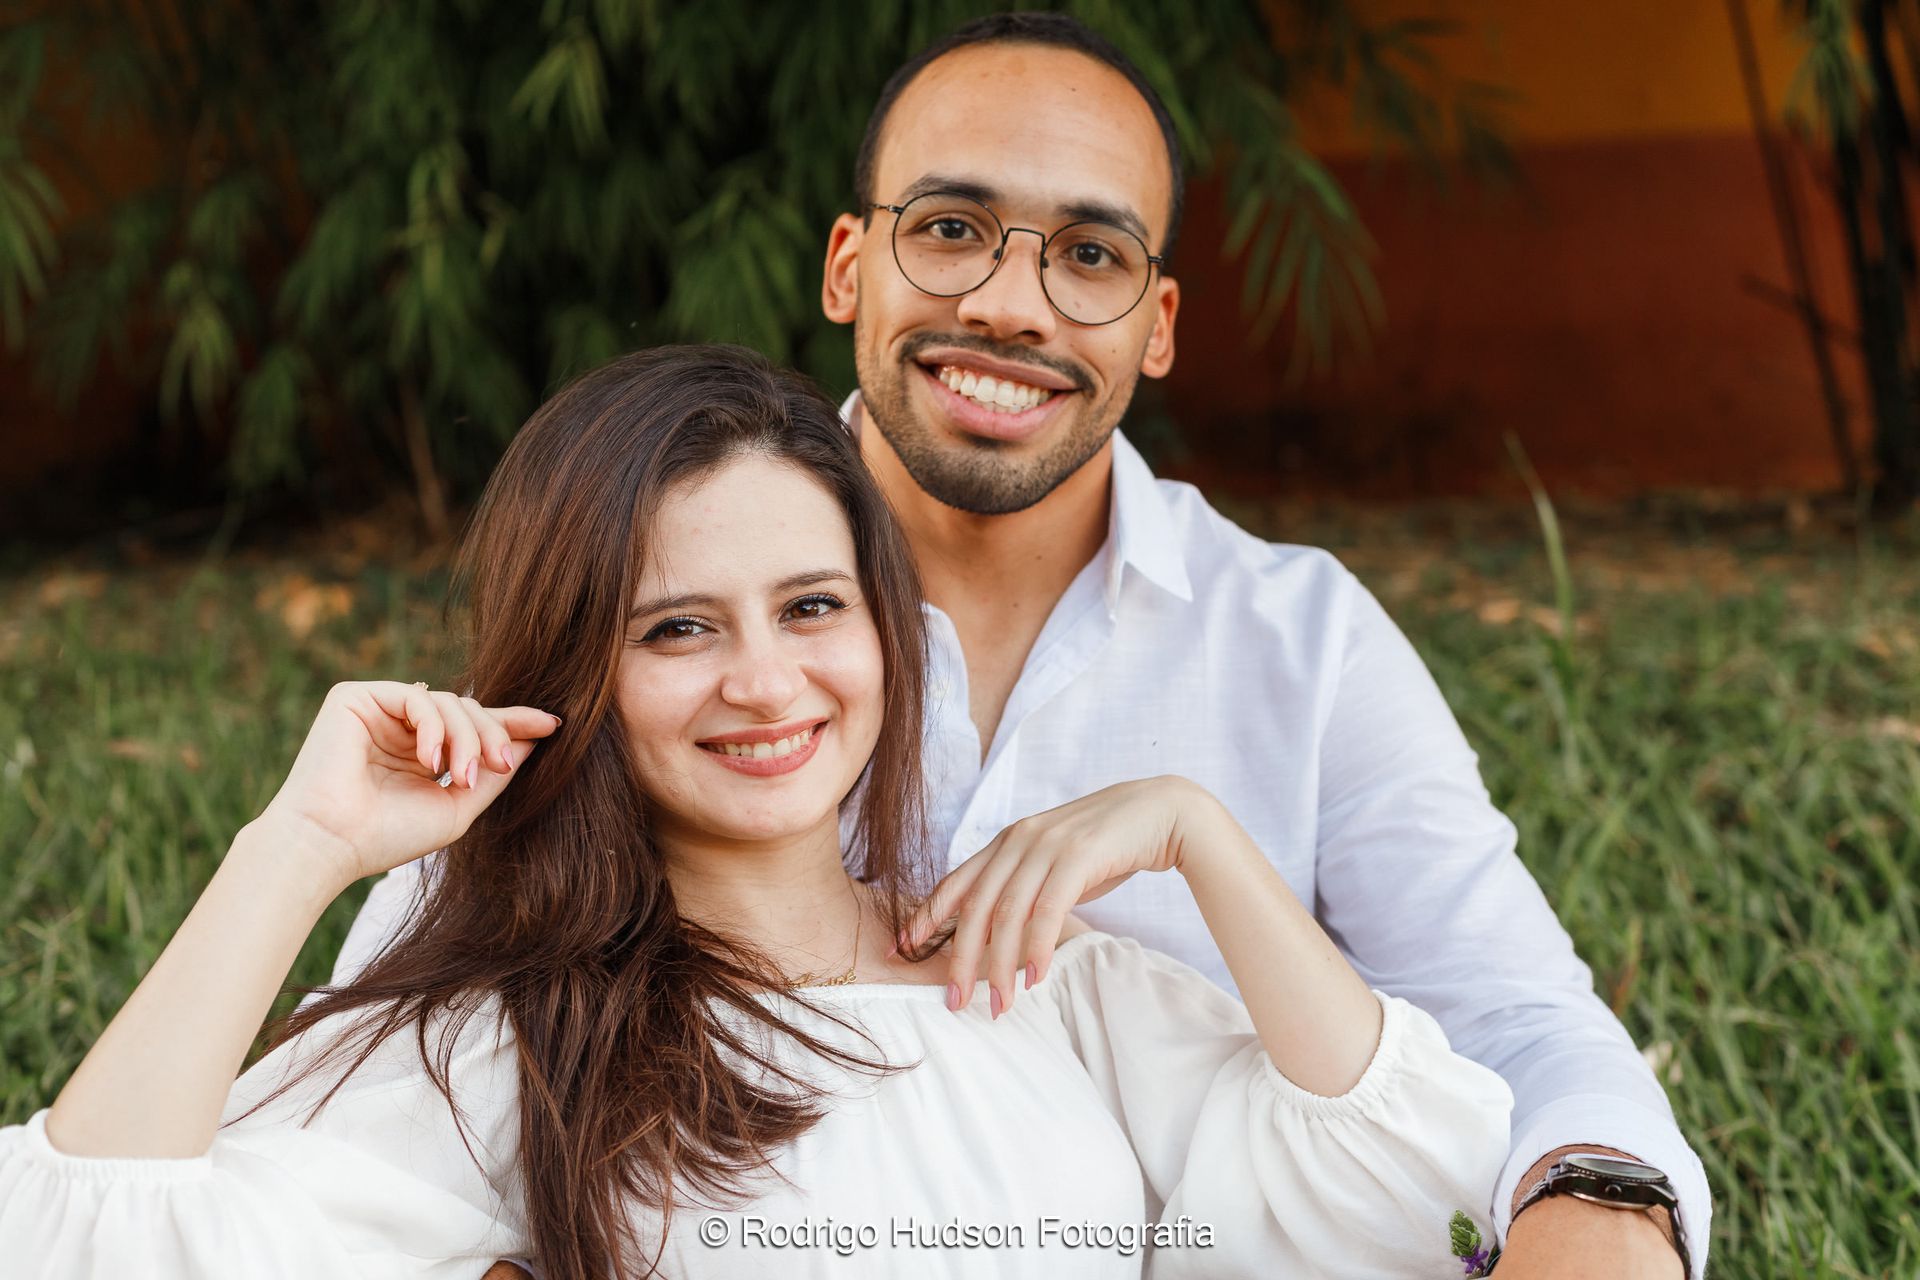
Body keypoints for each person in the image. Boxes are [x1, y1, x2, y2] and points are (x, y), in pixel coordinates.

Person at [337, 14, 1710, 1280]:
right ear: (848, 264)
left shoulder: (1298, 637)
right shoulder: (675, 597)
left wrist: (1606, 1210)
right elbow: (413, 1044)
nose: (1013, 305)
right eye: (951, 229)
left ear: (1156, 327)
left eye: (1092, 256)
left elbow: (1515, 1015)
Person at [0, 344, 1511, 1278]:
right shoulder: (513, 1033)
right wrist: (302, 846)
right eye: (677, 630)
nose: (766, 682)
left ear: (883, 631)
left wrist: (1197, 827)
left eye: (810, 607)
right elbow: (100, 1242)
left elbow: (1405, 1202)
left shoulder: (1035, 981)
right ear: (578, 669)